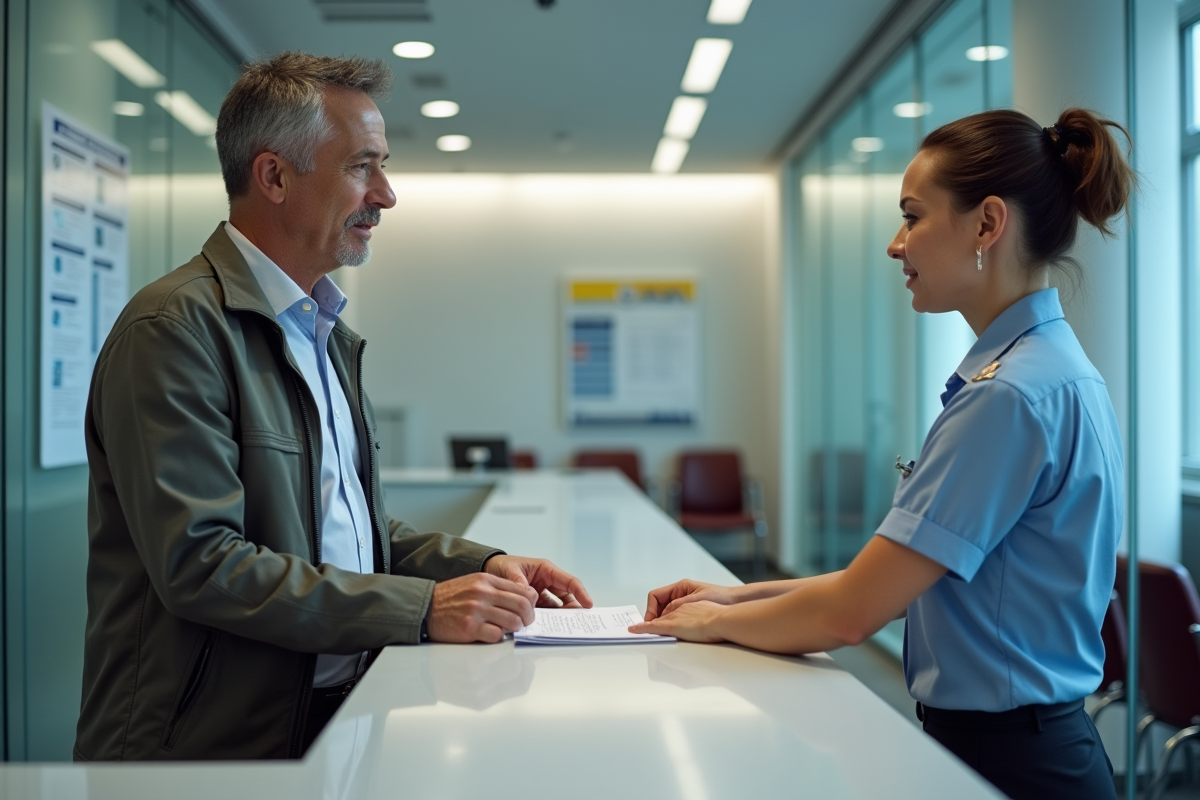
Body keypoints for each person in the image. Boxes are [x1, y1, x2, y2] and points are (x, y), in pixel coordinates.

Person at [74, 52, 591, 762]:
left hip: (322, 723)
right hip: (199, 752)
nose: (385, 194)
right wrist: (419, 609)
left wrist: (480, 564)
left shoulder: (319, 331)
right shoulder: (174, 329)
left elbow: (338, 528)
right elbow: (202, 563)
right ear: (275, 176)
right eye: (361, 166)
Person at [631, 107, 1134, 800]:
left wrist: (715, 622)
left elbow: (850, 615)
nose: (896, 245)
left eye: (913, 216)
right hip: (1035, 749)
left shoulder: (1006, 399)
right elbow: (894, 584)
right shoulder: (1053, 371)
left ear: (987, 225)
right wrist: (736, 593)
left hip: (1014, 764)